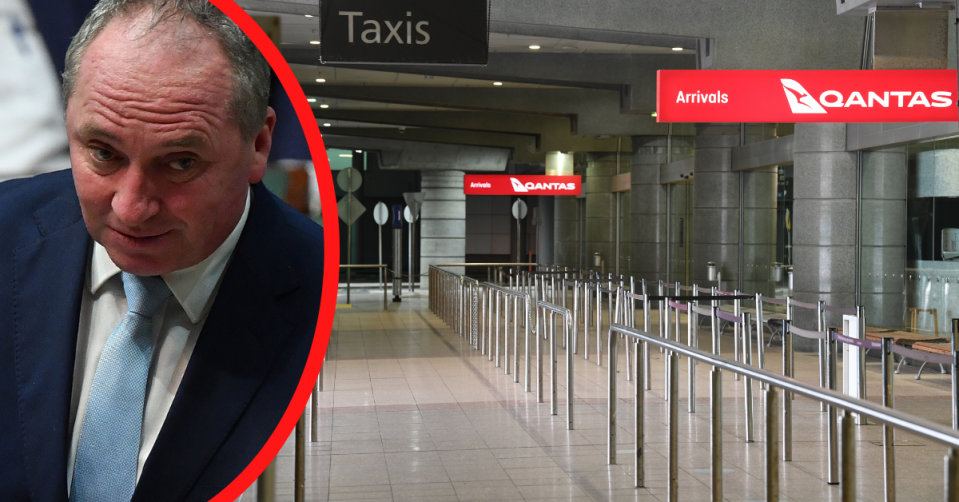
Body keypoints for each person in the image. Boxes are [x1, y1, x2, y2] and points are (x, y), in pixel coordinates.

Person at [0, 0, 325, 500]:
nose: (130, 209)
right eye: (103, 153)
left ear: (259, 145)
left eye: (179, 164)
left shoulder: (317, 285)